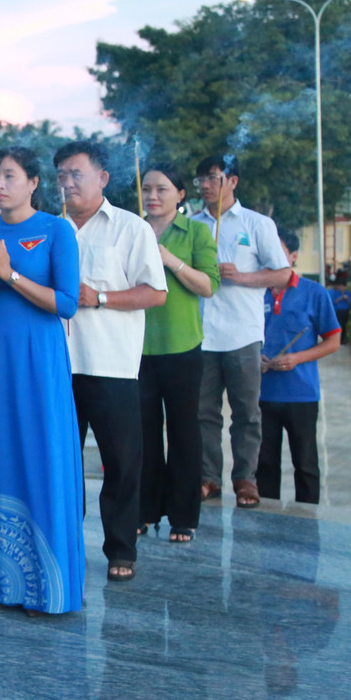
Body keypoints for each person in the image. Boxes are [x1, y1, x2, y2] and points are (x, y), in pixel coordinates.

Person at [0, 147, 84, 615]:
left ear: (34, 183)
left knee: (43, 453)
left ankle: (49, 587)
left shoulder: (56, 230)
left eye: (10, 176)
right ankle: (1, 582)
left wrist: (11, 275)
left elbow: (67, 302)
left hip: (40, 357)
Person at [57, 142, 167, 583]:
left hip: (111, 365)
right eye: (62, 175)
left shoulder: (130, 228)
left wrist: (99, 297)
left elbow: (155, 292)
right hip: (58, 365)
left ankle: (121, 548)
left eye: (77, 174)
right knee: (61, 462)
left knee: (121, 463)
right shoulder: (50, 229)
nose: (68, 183)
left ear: (102, 178)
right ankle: (63, 546)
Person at [191, 157, 291, 508]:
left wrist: (241, 277)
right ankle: (208, 477)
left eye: (212, 178)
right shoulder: (192, 225)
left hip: (243, 334)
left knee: (247, 412)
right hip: (201, 333)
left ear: (232, 181)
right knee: (203, 412)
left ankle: (246, 479)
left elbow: (283, 274)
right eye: (200, 179)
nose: (205, 185)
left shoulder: (257, 224)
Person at [138, 164, 219, 543]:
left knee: (185, 432)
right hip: (137, 347)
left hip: (183, 346)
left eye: (162, 189)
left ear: (181, 194)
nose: (152, 196)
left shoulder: (197, 231)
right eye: (146, 189)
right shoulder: (133, 229)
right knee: (143, 433)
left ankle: (184, 516)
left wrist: (170, 260)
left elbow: (208, 285)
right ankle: (144, 510)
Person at [257, 231, 342, 504]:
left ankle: (308, 520)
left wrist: (297, 358)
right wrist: (253, 358)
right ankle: (266, 519)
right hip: (260, 394)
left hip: (301, 394)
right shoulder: (253, 293)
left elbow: (333, 341)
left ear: (293, 256)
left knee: (305, 466)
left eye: (279, 251)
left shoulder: (314, 292)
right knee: (264, 465)